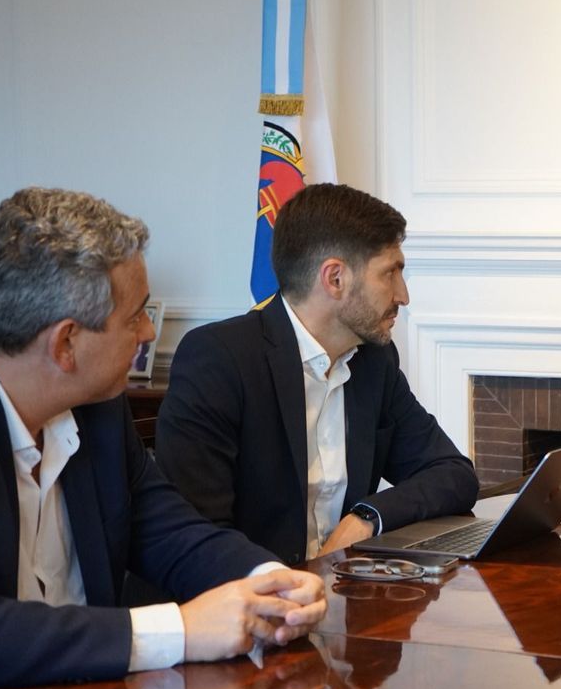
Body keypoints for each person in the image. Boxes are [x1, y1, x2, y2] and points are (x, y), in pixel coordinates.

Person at [0, 187, 327, 689]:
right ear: (66, 344)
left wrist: (269, 582)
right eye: (135, 315)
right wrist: (179, 630)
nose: (147, 332)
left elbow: (167, 530)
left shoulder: (98, 407)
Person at [156, 183, 478, 564]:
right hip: (247, 604)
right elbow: (197, 533)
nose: (403, 295)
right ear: (335, 279)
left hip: (343, 595)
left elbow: (453, 473)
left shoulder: (374, 361)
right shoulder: (220, 359)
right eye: (390, 273)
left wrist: (366, 519)